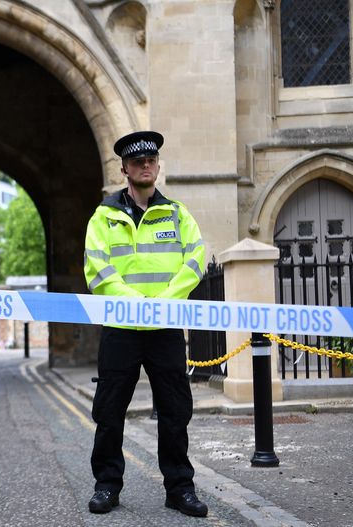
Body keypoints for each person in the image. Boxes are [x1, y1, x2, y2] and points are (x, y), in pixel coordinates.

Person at [83, 131, 208, 517]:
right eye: (137, 162)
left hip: (165, 327)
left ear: (157, 166)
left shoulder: (177, 213)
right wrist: (138, 305)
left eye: (151, 161)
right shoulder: (103, 216)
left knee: (175, 409)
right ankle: (107, 486)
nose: (145, 166)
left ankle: (179, 488)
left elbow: (196, 260)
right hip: (122, 327)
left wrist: (163, 303)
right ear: (124, 169)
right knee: (109, 411)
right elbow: (97, 268)